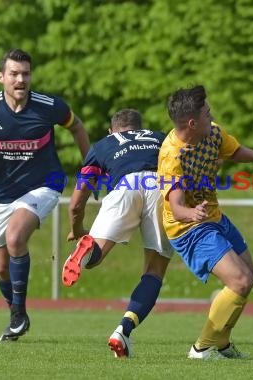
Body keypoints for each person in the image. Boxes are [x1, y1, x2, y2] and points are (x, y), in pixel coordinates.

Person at [0, 48, 90, 342]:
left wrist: (89, 167)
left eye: (26, 74)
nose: (21, 79)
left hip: (46, 183)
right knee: (2, 266)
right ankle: (17, 315)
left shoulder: (49, 106)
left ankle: (18, 314)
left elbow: (78, 126)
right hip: (3, 192)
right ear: (1, 77)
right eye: (14, 74)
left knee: (16, 237)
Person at [157, 85, 253, 360]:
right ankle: (201, 348)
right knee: (239, 280)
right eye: (206, 113)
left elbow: (235, 151)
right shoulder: (171, 156)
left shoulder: (211, 132)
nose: (211, 116)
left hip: (213, 217)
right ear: (192, 123)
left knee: (250, 277)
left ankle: (222, 344)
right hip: (187, 228)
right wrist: (193, 214)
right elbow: (176, 207)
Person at [61, 108, 173, 358]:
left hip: (124, 186)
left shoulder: (104, 145)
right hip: (159, 186)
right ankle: (123, 329)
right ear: (140, 127)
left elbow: (76, 203)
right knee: (154, 271)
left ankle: (87, 251)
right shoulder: (160, 137)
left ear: (113, 130)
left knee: (95, 256)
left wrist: (78, 230)